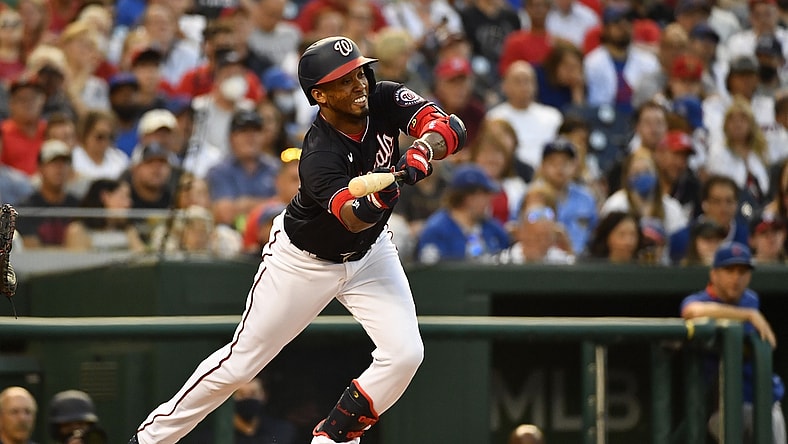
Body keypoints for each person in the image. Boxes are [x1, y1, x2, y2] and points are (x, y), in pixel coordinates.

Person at [128, 35, 467, 444]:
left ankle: (334, 436)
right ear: (319, 95)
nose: (359, 83)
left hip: (371, 254)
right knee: (239, 366)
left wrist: (423, 151)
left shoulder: (382, 97)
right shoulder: (318, 154)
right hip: (304, 261)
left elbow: (450, 127)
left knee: (406, 353)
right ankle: (150, 439)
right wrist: (381, 196)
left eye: (360, 71)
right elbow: (352, 218)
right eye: (345, 80)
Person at [680, 242, 786, 444]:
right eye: (729, 270)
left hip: (764, 399)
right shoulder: (702, 300)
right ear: (714, 275)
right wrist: (747, 315)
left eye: (742, 271)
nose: (736, 278)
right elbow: (691, 311)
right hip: (722, 406)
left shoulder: (750, 299)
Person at [415, 163, 511, 263]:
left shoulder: (493, 229)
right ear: (468, 197)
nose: (489, 200)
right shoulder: (437, 230)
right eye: (484, 194)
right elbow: (430, 272)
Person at [16, 139, 80, 248]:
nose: (59, 169)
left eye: (64, 163)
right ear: (40, 168)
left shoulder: (79, 205)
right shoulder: (26, 208)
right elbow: (30, 247)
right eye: (53, 163)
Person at [63, 178, 145, 252]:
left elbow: (141, 255)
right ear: (105, 197)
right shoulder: (78, 230)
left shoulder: (128, 229)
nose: (128, 203)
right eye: (123, 197)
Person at [233, 376, 297, 444]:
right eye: (241, 395)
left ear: (265, 395)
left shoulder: (283, 430)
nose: (247, 398)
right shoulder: (222, 430)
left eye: (253, 393)